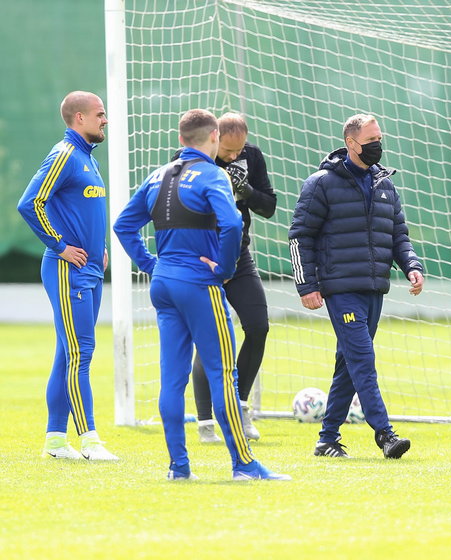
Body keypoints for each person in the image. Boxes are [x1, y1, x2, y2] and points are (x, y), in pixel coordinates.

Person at [113, 108, 288, 481]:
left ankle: (179, 468)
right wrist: (223, 270)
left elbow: (123, 225)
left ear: (181, 140)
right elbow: (232, 224)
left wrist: (149, 264)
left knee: (171, 379)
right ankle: (244, 465)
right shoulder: (213, 176)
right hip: (198, 283)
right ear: (213, 138)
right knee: (224, 373)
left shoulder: (158, 175)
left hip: (163, 286)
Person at [288, 113, 425, 459]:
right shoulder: (320, 184)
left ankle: (327, 439)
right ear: (351, 143)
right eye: (371, 140)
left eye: (380, 138)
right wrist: (307, 285)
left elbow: (399, 236)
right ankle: (385, 434)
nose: (378, 145)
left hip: (374, 288)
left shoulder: (385, 184)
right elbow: (299, 237)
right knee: (363, 359)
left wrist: (411, 266)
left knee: (348, 363)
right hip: (340, 289)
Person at [17, 91, 118, 461]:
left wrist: (99, 247)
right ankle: (90, 439)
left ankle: (56, 441)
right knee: (81, 351)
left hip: (90, 268)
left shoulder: (87, 158)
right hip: (66, 269)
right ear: (79, 118)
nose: (105, 120)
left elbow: (84, 210)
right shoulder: (63, 155)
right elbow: (30, 203)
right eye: (100, 114)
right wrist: (59, 245)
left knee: (66, 353)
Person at [173, 112, 276, 444]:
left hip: (237, 255)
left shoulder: (252, 156)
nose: (234, 156)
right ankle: (206, 422)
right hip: (202, 259)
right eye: (228, 151)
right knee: (210, 337)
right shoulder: (188, 160)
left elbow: (269, 206)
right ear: (214, 137)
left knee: (258, 325)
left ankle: (240, 405)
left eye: (239, 151)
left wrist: (245, 190)